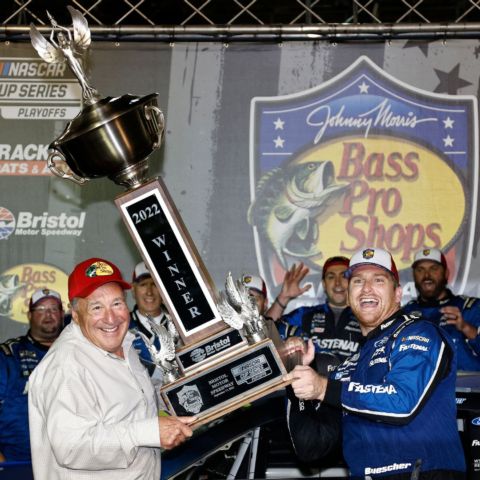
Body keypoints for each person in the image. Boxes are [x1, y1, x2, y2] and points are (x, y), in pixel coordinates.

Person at [285, 247, 466, 479]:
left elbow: (402, 402)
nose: (366, 288)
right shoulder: (349, 366)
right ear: (349, 297)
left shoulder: (418, 333)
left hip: (424, 472)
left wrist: (323, 387)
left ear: (398, 294)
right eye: (358, 281)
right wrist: (297, 372)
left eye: (378, 280)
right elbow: (312, 446)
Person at [28, 257, 194, 480]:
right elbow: (72, 447)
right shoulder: (66, 366)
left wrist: (183, 397)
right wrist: (148, 432)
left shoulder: (125, 344)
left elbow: (132, 405)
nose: (111, 318)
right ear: (75, 315)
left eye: (117, 303)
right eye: (96, 307)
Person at [0, 287, 64, 462]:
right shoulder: (8, 355)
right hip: (18, 464)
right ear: (29, 315)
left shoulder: (78, 353)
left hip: (70, 465)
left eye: (53, 309)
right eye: (41, 309)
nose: (48, 314)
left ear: (62, 313)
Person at [265, 257, 362, 364]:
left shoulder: (366, 317)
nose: (337, 283)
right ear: (324, 284)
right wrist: (283, 297)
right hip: (309, 378)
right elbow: (266, 333)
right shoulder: (304, 314)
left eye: (344, 276)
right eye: (331, 277)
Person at [404, 248, 480, 371]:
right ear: (414, 275)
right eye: (420, 270)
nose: (427, 275)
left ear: (446, 273)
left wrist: (466, 328)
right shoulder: (405, 314)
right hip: (421, 389)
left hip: (467, 388)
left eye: (433, 268)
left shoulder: (470, 307)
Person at [130, 261, 179, 382]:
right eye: (143, 284)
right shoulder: (121, 327)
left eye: (154, 284)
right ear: (133, 290)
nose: (149, 292)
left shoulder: (179, 324)